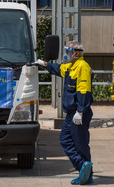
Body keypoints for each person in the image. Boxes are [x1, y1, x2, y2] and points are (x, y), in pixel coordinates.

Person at [35, 41, 94, 185]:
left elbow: (84, 90)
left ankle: (86, 172)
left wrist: (80, 111)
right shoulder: (70, 67)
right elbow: (58, 68)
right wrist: (44, 64)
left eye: (69, 51)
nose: (66, 54)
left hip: (79, 112)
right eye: (66, 51)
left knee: (80, 143)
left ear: (77, 53)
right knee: (65, 140)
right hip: (71, 113)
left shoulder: (82, 67)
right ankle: (83, 168)